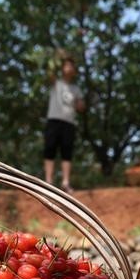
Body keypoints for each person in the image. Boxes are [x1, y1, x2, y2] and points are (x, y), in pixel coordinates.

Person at [44, 56, 85, 193]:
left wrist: (80, 104)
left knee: (67, 152)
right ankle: (48, 181)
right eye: (66, 65)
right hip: (54, 120)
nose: (68, 68)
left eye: (71, 66)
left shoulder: (76, 89)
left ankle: (65, 182)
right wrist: (56, 56)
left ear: (74, 71)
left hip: (69, 123)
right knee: (50, 149)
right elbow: (49, 72)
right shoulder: (56, 83)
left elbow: (81, 107)